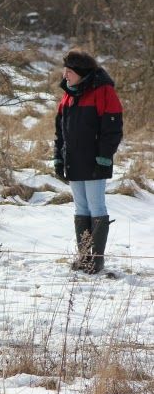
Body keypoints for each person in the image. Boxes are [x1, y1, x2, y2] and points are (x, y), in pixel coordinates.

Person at [53, 49, 124, 274]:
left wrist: (104, 157)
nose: (65, 75)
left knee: (96, 206)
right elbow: (60, 132)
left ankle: (96, 260)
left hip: (95, 161)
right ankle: (84, 256)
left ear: (81, 73)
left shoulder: (103, 91)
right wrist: (58, 157)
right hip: (73, 161)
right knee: (81, 208)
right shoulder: (68, 95)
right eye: (65, 71)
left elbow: (112, 129)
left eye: (69, 71)